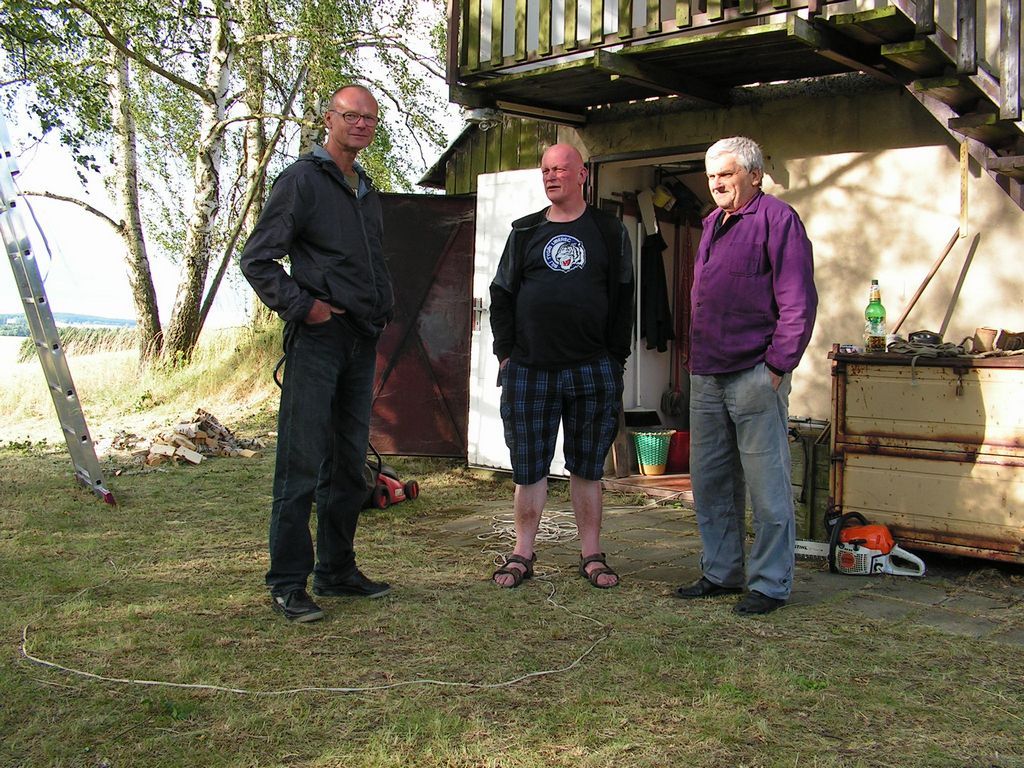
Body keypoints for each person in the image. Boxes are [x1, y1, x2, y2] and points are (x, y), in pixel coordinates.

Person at [240, 84, 394, 622]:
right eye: (351, 116)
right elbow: (257, 259)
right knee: (300, 464)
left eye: (369, 118)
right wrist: (305, 308)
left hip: (360, 340)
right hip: (318, 341)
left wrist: (379, 311)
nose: (361, 124)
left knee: (348, 464)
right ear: (329, 119)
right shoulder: (302, 180)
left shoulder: (365, 190)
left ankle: (336, 570)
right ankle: (287, 583)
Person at [674, 136, 817, 615]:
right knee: (711, 481)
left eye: (726, 174)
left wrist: (776, 367)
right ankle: (722, 572)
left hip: (755, 374)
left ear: (755, 175)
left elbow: (798, 302)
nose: (716, 184)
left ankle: (770, 584)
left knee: (767, 484)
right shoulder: (711, 223)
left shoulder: (779, 220)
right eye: (711, 176)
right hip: (706, 373)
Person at [489, 143, 634, 589]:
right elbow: (501, 293)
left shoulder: (608, 230)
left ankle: (592, 554)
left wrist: (615, 359)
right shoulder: (525, 231)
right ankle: (522, 554)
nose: (552, 176)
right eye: (546, 170)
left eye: (561, 169)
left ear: (582, 174)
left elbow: (624, 295)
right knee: (528, 466)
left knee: (588, 467)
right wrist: (505, 352)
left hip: (592, 367)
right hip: (529, 368)